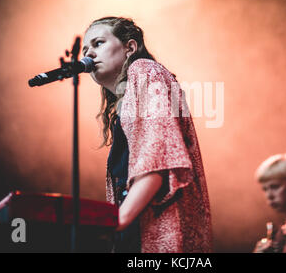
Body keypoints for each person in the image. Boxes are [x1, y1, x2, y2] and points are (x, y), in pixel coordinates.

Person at [82, 16, 213, 253]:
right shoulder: (128, 101)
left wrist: (117, 222)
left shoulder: (143, 70)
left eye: (98, 43)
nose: (88, 54)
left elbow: (157, 162)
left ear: (130, 48)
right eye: (85, 48)